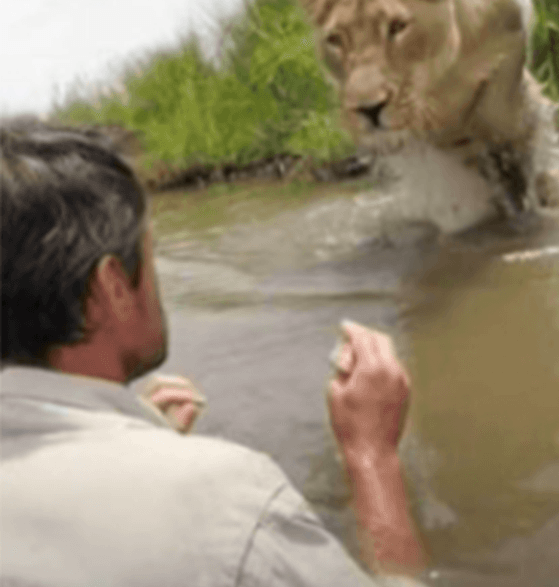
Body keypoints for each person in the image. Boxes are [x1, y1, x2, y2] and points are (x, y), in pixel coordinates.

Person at [0, 123, 426, 586]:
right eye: (151, 253)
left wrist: (134, 434)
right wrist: (372, 456)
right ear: (114, 288)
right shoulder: (224, 500)